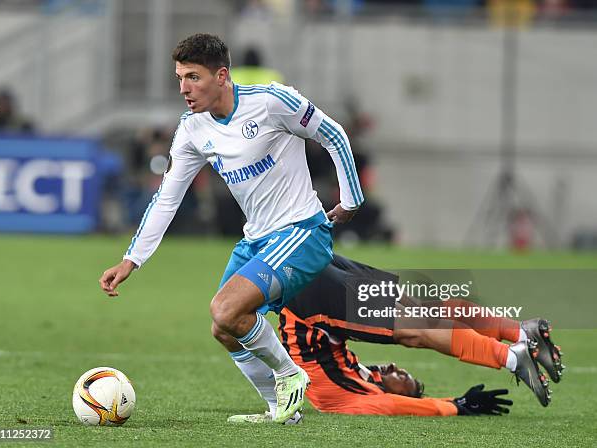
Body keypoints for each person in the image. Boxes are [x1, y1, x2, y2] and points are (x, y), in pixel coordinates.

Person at [98, 33, 364, 424]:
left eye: (193, 77)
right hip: (257, 239)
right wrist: (131, 260)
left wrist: (351, 200)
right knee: (225, 329)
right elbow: (167, 198)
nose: (184, 89)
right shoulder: (192, 129)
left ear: (221, 76)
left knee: (225, 309)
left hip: (302, 232)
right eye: (179, 78)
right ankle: (281, 411)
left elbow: (334, 135)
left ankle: (290, 374)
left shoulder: (273, 101)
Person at [223, 254, 563, 422]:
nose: (399, 371)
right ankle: (520, 334)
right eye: (407, 377)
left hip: (312, 303)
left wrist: (452, 408)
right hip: (317, 278)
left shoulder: (348, 395)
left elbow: (389, 404)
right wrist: (454, 404)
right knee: (425, 315)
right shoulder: (357, 378)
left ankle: (515, 357)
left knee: (418, 327)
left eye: (403, 379)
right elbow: (396, 400)